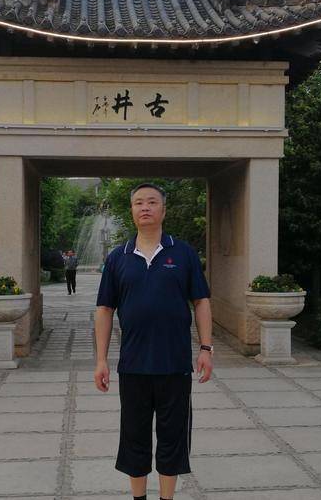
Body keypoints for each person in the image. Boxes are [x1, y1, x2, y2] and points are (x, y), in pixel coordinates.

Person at [94, 183, 213, 500]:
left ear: (163, 209)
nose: (144, 207)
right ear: (132, 211)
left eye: (151, 202)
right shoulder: (118, 257)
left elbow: (201, 301)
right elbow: (104, 309)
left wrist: (206, 348)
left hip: (175, 365)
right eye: (138, 203)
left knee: (173, 438)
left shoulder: (183, 253)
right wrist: (101, 360)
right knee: (134, 439)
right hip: (133, 366)